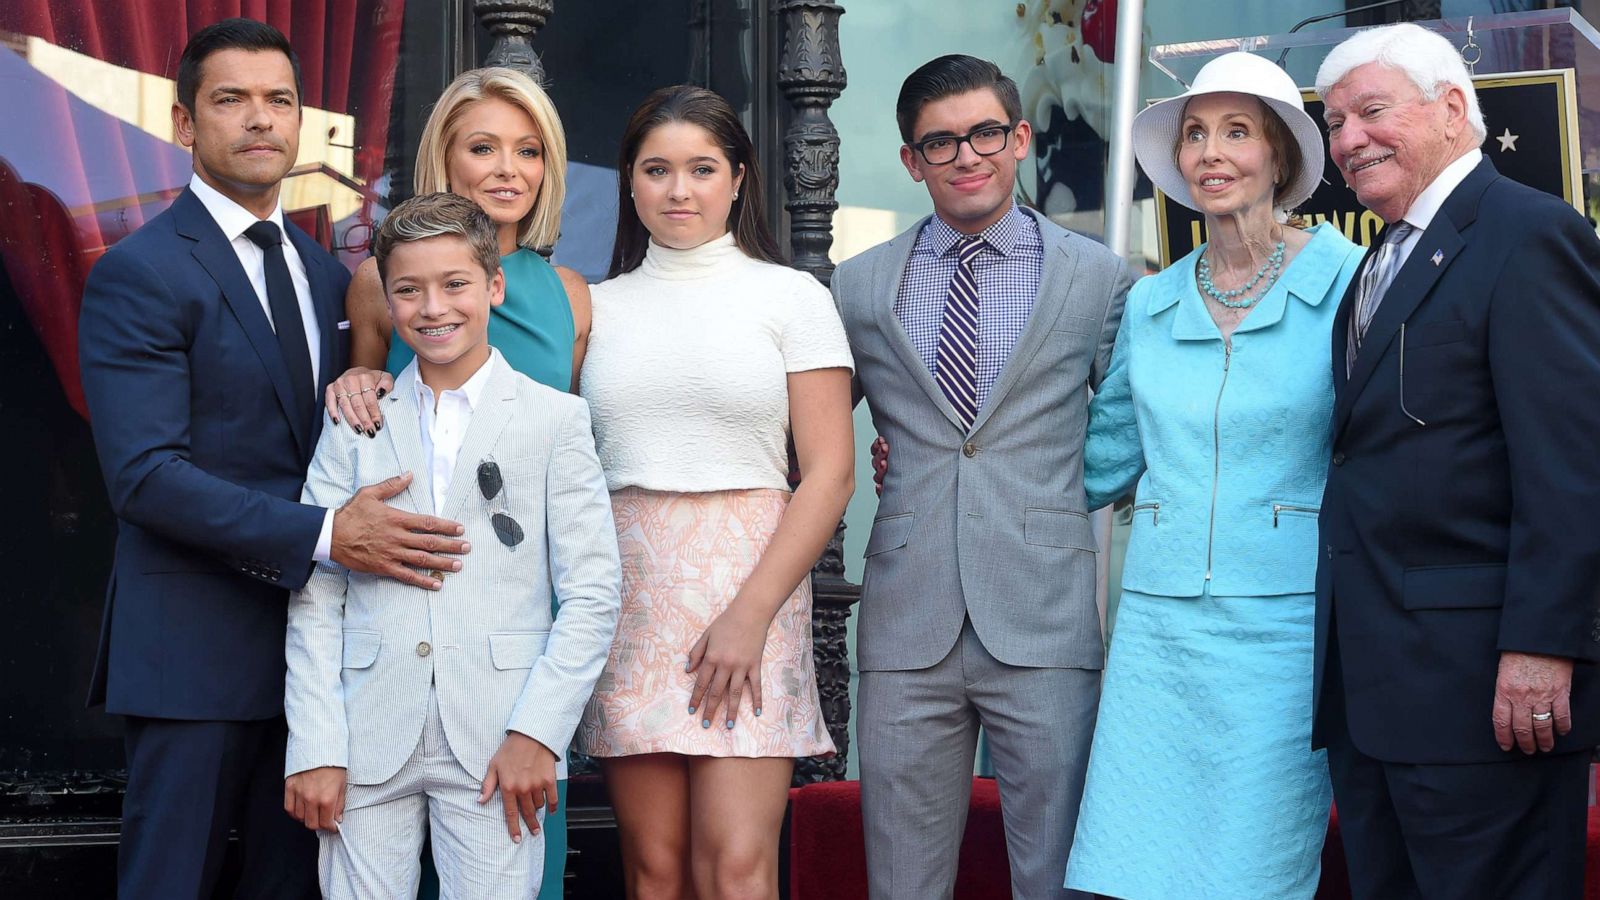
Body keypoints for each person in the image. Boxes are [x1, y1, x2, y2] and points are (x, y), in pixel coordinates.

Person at [76, 18, 468, 899]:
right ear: (184, 125)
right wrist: (331, 533)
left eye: (279, 100)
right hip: (192, 654)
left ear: (303, 121)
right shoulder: (139, 273)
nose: (260, 120)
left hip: (324, 667)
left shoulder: (336, 279)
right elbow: (143, 475)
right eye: (231, 100)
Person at [1060, 52, 1365, 899]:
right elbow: (1104, 452)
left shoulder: (1349, 282)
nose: (1211, 153)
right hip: (1157, 629)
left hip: (1286, 628)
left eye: (1236, 132)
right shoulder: (1151, 303)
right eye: (1195, 134)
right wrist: (960, 468)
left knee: (1256, 866)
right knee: (1142, 862)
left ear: (1279, 156)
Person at [831, 54, 1133, 900]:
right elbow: (806, 440)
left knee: (1059, 874)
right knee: (903, 876)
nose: (967, 156)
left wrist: (1062, 493)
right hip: (906, 619)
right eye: (940, 143)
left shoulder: (1098, 276)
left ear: (1020, 137)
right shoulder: (857, 287)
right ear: (911, 160)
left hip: (1044, 612)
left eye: (985, 134)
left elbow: (1141, 425)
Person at [1313, 23, 1600, 898]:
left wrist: (1542, 645)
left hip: (1486, 696)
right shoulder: (1379, 260)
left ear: (1452, 108)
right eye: (1333, 123)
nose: (1349, 139)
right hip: (1378, 696)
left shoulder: (1529, 235)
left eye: (1371, 111)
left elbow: (1575, 468)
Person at [283, 192, 621, 899]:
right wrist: (314, 746)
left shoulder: (556, 420)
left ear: (493, 287)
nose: (433, 307)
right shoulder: (355, 422)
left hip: (500, 738)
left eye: (455, 284)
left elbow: (592, 593)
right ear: (388, 302)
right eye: (409, 290)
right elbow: (316, 596)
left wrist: (539, 733)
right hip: (364, 737)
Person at [575, 84, 854, 900]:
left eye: (702, 168)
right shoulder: (594, 305)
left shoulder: (792, 297)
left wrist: (748, 615)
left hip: (752, 588)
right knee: (654, 871)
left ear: (739, 177)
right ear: (629, 182)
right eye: (656, 170)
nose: (679, 189)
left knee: (734, 869)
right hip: (631, 594)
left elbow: (830, 473)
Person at [321, 68, 589, 896]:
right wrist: (350, 382)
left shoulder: (574, 297)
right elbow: (367, 419)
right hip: (398, 641)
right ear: (445, 156)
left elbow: (561, 458)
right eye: (484, 147)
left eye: (529, 150)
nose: (509, 168)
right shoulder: (378, 281)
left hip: (512, 655)